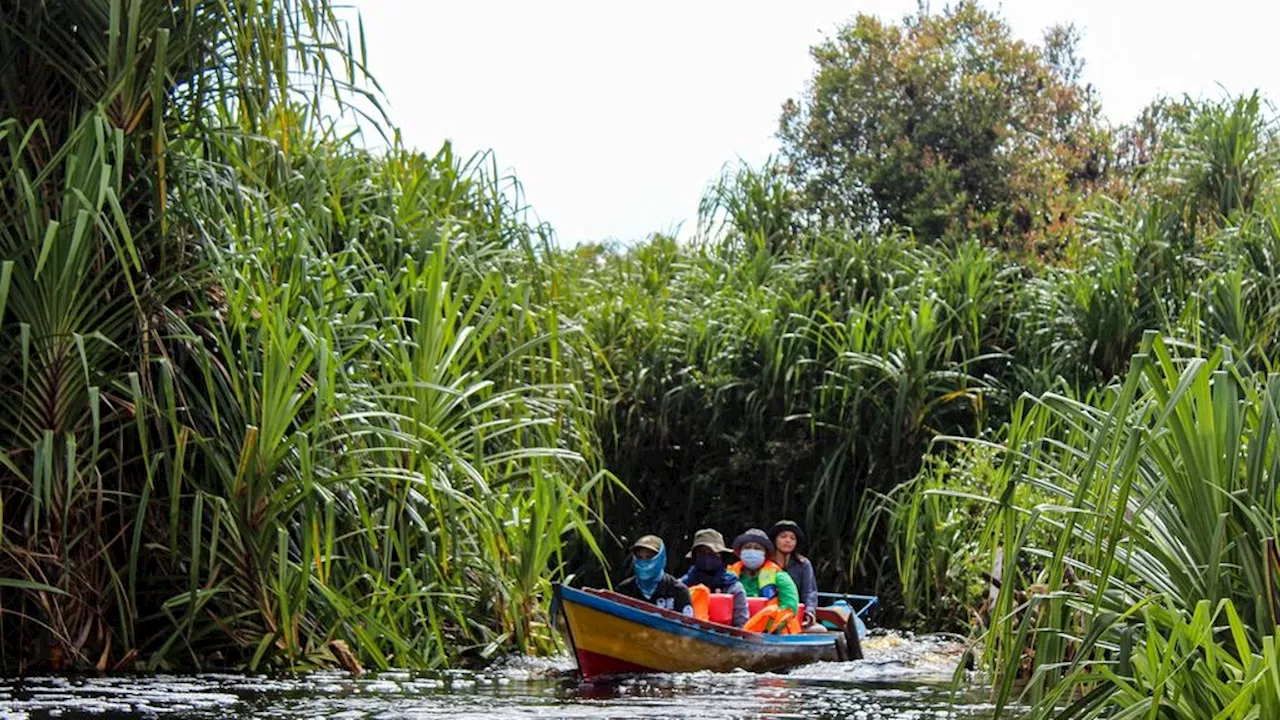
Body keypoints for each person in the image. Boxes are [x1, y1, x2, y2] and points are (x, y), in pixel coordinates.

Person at [728, 528, 801, 634]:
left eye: (757, 548)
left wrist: (771, 628)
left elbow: (790, 606)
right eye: (747, 547)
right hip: (735, 629)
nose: (752, 551)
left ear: (765, 554)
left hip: (771, 632)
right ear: (740, 552)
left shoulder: (779, 576)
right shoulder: (729, 576)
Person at [679, 528, 749, 627]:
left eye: (712, 553)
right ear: (695, 557)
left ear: (721, 556)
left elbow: (741, 625)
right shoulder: (682, 586)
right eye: (701, 553)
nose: (707, 557)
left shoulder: (734, 588)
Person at [616, 535, 693, 616]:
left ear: (661, 558)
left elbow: (687, 625)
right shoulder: (624, 589)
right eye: (639, 557)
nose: (644, 562)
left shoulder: (678, 591)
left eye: (649, 557)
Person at [769, 520, 819, 629]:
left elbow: (810, 592)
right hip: (768, 615)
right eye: (783, 536)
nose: (788, 541)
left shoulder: (803, 564)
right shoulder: (765, 563)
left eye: (792, 538)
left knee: (820, 630)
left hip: (795, 616)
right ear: (775, 540)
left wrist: (809, 612)